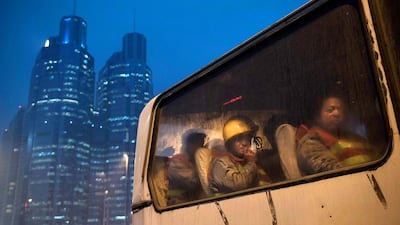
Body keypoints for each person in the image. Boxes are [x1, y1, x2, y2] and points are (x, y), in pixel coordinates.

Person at [296, 94, 376, 175]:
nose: (337, 113)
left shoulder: (355, 137)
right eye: (330, 110)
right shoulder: (311, 142)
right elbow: (333, 173)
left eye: (341, 110)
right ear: (318, 117)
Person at [210, 116, 261, 194]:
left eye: (246, 138)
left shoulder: (249, 160)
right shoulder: (220, 163)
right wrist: (251, 163)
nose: (244, 143)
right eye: (239, 139)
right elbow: (238, 185)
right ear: (229, 144)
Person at [166, 129, 206, 205]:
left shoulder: (192, 162)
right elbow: (193, 181)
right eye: (197, 144)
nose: (201, 148)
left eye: (202, 144)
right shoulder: (176, 163)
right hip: (176, 204)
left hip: (189, 202)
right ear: (189, 145)